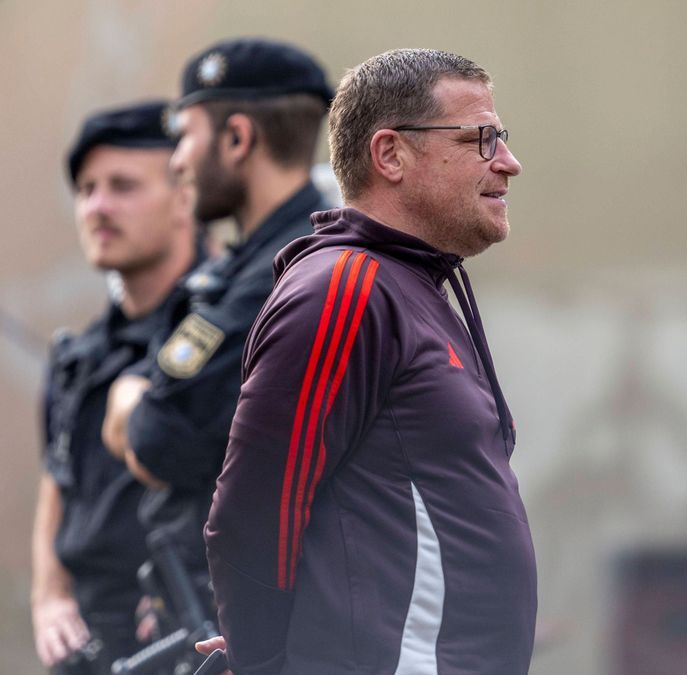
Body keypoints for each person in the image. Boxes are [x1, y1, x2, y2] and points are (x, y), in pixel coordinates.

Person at [200, 48, 535, 674]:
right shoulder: (346, 289)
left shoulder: (405, 285)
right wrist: (267, 659)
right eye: (482, 139)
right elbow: (252, 515)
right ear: (389, 155)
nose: (509, 163)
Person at [101, 38, 332, 591]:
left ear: (236, 139)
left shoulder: (283, 275)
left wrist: (129, 397)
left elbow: (158, 443)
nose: (177, 161)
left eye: (184, 138)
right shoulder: (248, 266)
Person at [32, 101, 198, 673]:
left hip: (184, 637)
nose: (97, 207)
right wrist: (48, 594)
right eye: (86, 189)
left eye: (123, 186)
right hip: (89, 646)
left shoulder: (227, 334)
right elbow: (59, 479)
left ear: (186, 195)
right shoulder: (77, 356)